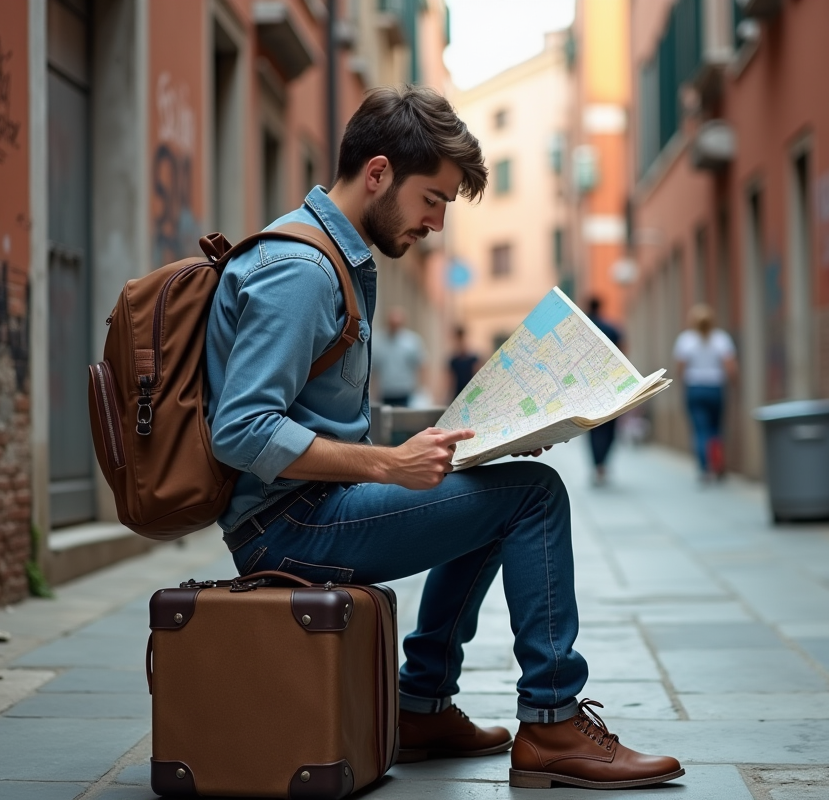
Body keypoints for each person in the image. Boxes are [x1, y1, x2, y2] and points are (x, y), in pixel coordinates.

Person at [205, 85, 682, 790]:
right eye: (432, 199)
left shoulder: (332, 258)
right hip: (286, 526)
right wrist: (388, 465)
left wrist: (488, 436)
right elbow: (241, 431)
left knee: (501, 491)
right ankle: (551, 724)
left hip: (307, 507)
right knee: (534, 496)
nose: (436, 221)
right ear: (378, 173)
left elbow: (321, 415)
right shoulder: (302, 271)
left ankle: (423, 707)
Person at [672, 304, 737, 481]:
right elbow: (730, 367)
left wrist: (684, 385)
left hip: (694, 388)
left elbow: (680, 368)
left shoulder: (685, 340)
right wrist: (733, 385)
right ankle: (717, 465)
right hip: (715, 388)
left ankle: (705, 468)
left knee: (700, 430)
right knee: (716, 429)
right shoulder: (721, 339)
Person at [584, 297, 624, 486]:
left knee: (593, 428)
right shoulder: (611, 328)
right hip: (610, 384)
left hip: (589, 385)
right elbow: (622, 354)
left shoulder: (582, 330)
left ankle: (597, 465)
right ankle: (602, 464)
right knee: (610, 427)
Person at [372, 306, 426, 406]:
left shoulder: (412, 341)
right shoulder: (378, 341)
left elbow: (421, 365)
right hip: (386, 391)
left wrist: (421, 390)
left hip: (405, 391)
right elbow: (374, 368)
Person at [447, 325, 480, 401]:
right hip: (458, 395)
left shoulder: (473, 359)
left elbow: (477, 378)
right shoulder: (453, 361)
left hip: (470, 394)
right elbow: (450, 381)